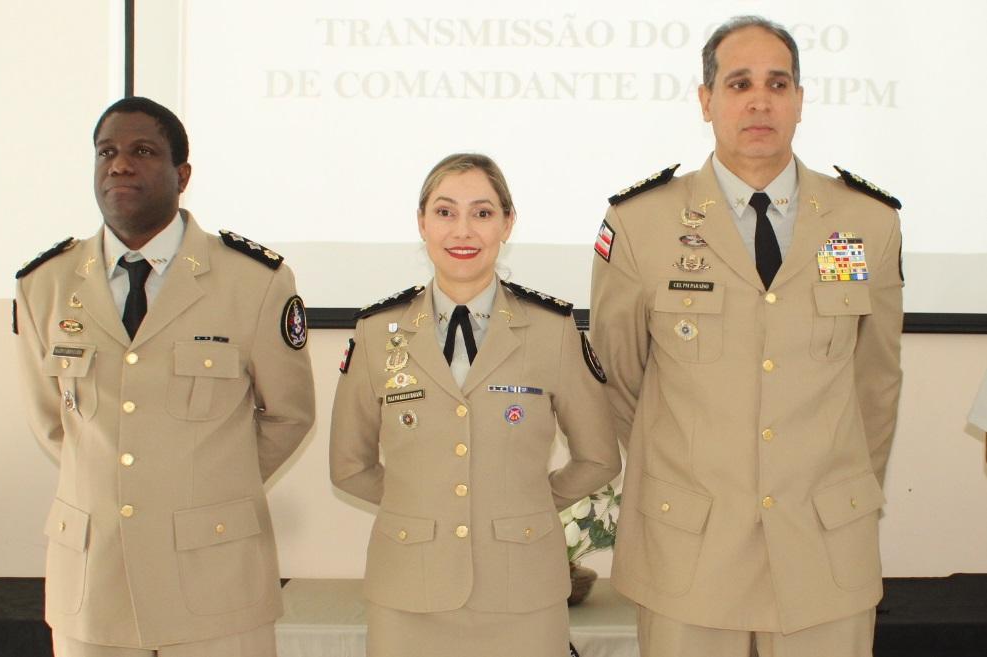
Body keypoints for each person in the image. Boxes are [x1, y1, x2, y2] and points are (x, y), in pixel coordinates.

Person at [590, 16, 903, 657]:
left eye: (777, 83)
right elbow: (620, 382)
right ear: (706, 101)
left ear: (799, 101)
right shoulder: (641, 223)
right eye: (739, 83)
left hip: (822, 551)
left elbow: (876, 382)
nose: (760, 100)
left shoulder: (866, 222)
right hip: (692, 553)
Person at [14, 96, 316, 657]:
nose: (119, 165)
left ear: (183, 175)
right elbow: (53, 422)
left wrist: (203, 483)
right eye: (107, 152)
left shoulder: (252, 280)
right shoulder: (44, 284)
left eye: (142, 151)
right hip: (94, 582)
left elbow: (288, 415)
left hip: (215, 578)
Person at [330, 153, 620, 657]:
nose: (462, 230)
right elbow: (348, 466)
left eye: (482, 213)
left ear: (508, 223)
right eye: (445, 212)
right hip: (409, 593)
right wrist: (422, 505)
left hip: (523, 591)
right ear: (421, 222)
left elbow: (599, 457)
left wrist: (520, 503)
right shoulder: (378, 332)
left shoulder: (552, 331)